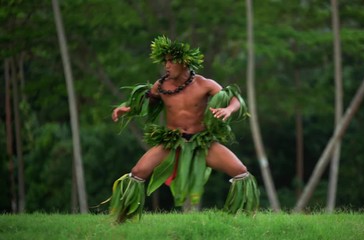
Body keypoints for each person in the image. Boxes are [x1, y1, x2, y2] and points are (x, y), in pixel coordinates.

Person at [108, 36, 259, 223]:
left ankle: (246, 217)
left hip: (201, 143)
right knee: (138, 171)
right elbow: (147, 101)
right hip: (172, 142)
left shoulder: (205, 84)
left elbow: (235, 99)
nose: (167, 65)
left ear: (184, 62)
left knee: (241, 171)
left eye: (171, 61)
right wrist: (127, 108)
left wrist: (228, 109)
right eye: (165, 61)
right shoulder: (161, 85)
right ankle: (120, 219)